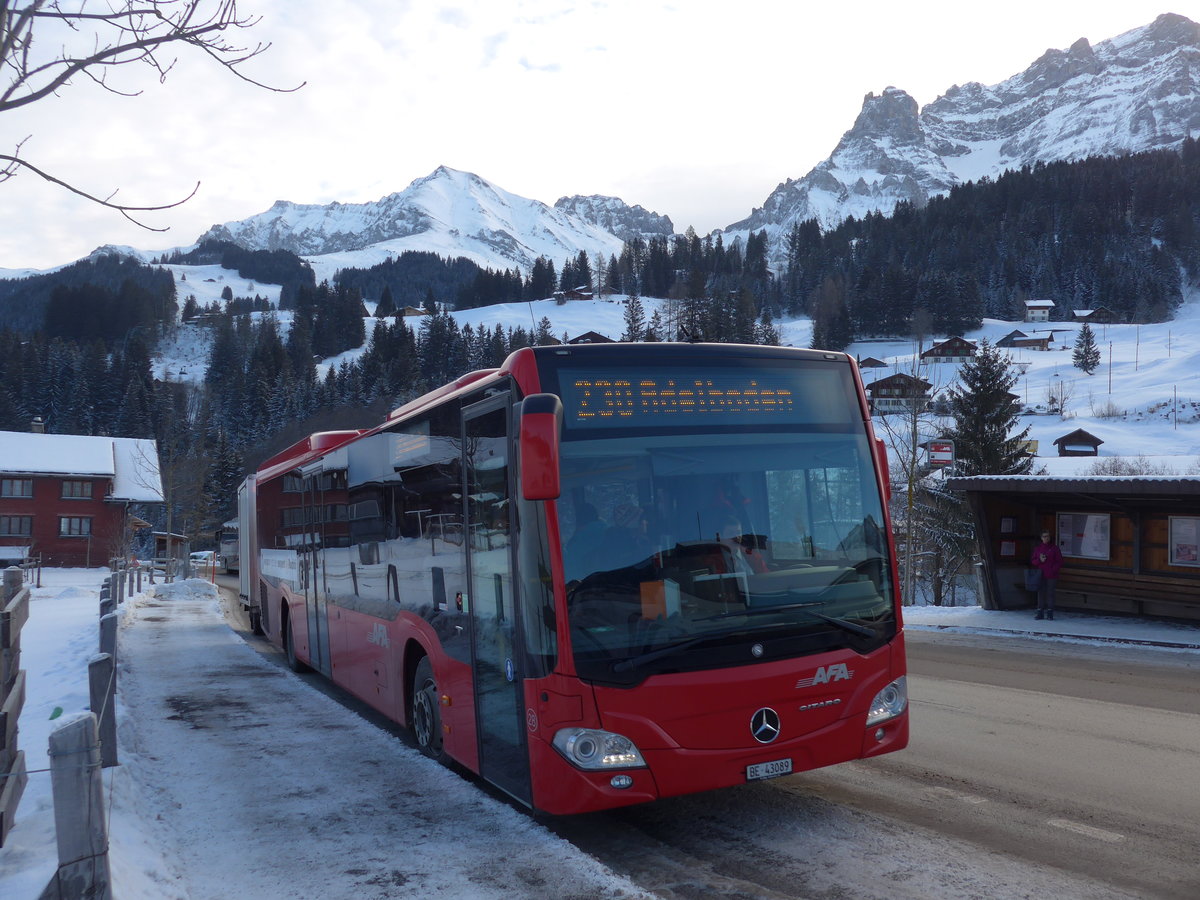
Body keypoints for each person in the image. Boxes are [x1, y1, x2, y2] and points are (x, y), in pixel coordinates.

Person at [1029, 530, 1063, 620]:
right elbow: (1033, 561)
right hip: (1041, 574)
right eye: (1044, 536)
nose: (1046, 538)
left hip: (1052, 575)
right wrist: (1040, 560)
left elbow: (1059, 561)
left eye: (1047, 536)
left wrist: (1053, 570)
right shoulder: (1038, 549)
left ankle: (1050, 613)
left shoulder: (1054, 548)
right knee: (1040, 593)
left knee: (1050, 593)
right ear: (1041, 538)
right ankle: (1040, 612)